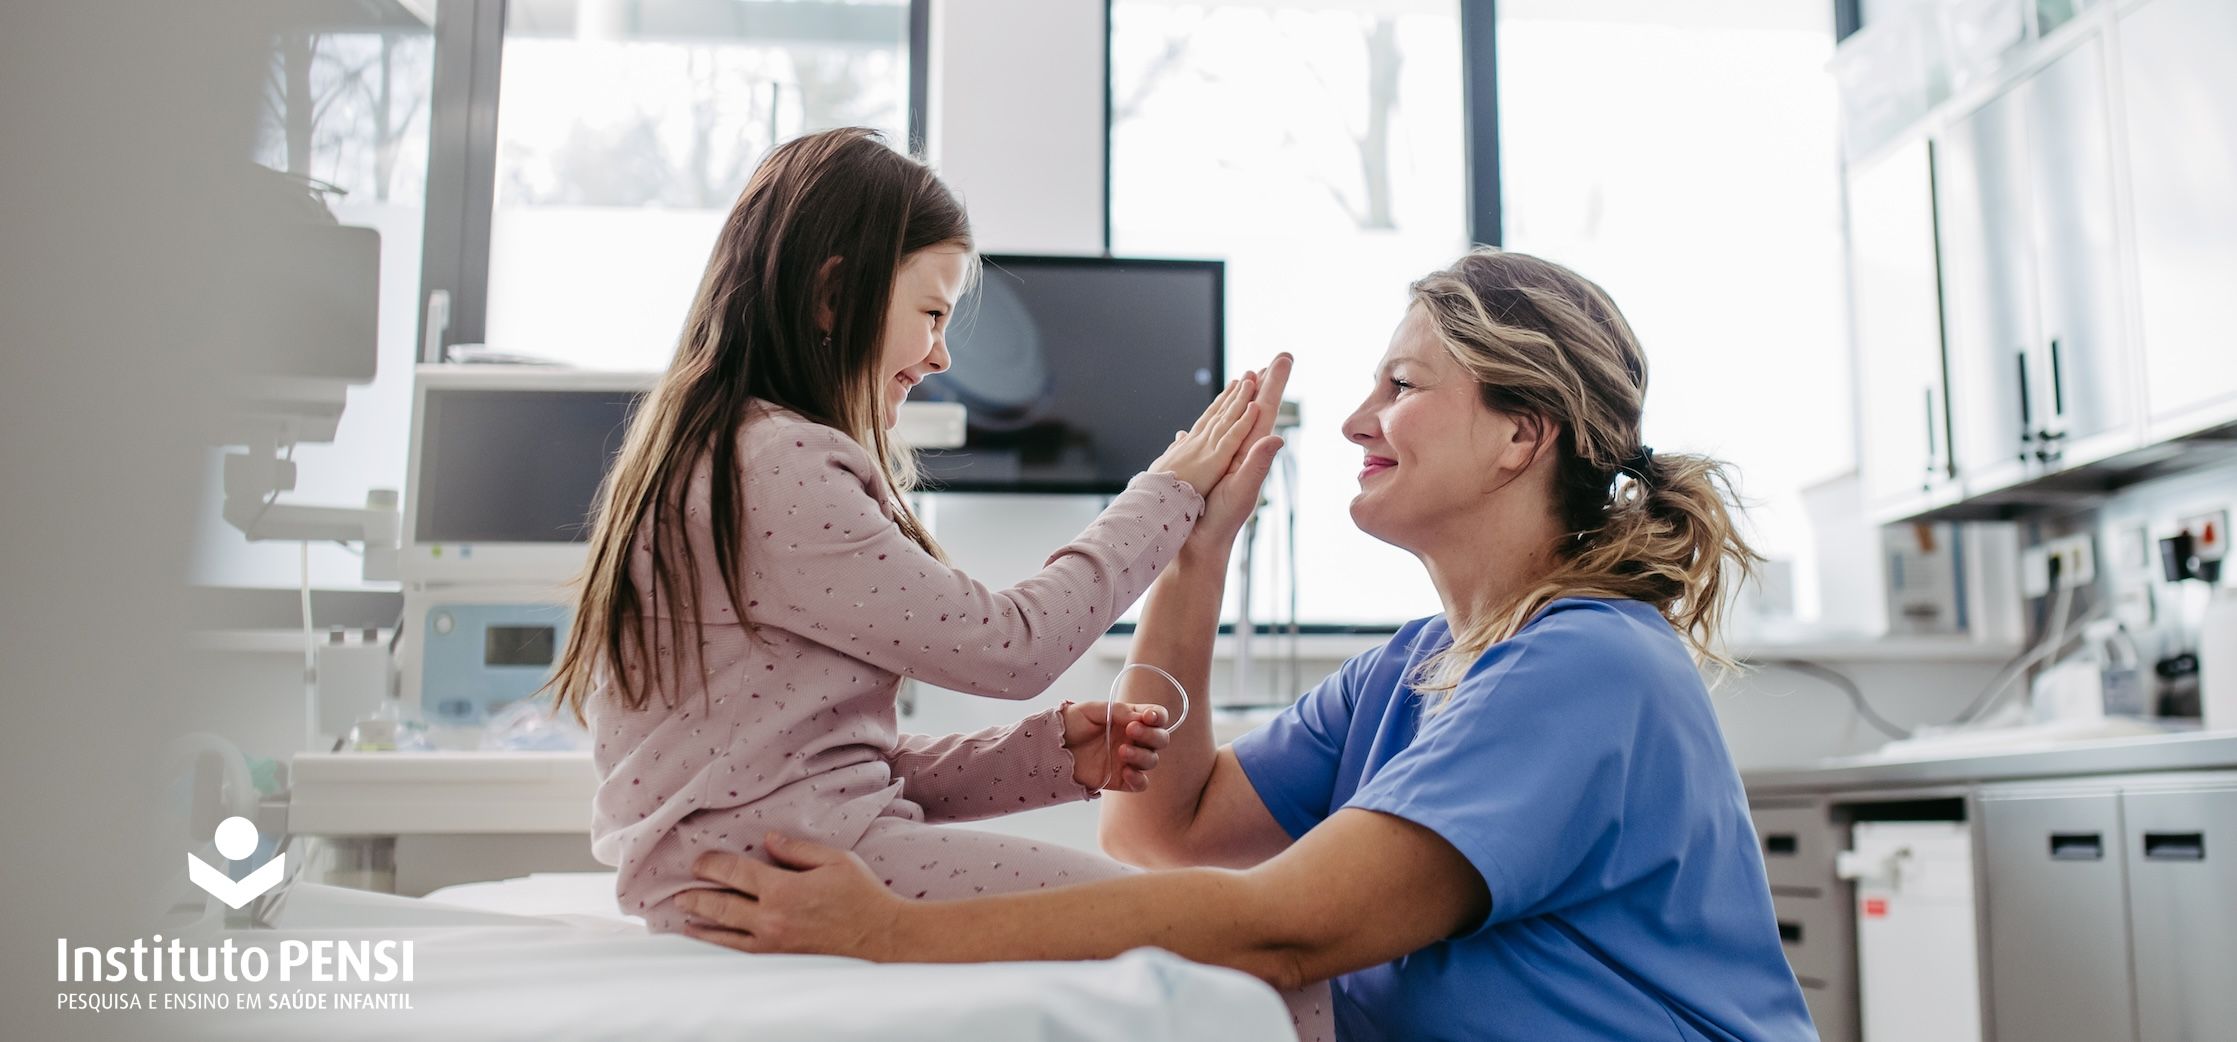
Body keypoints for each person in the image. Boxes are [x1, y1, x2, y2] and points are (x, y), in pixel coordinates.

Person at [679, 248, 1819, 1042]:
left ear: (1523, 434)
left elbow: (1284, 926)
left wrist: (893, 934)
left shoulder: (1588, 666)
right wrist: (1194, 557)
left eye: (1402, 385)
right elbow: (1156, 825)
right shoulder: (1416, 667)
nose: (1356, 419)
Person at [543, 127, 1333, 1038]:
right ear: (834, 295)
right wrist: (1169, 491)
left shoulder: (719, 451)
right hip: (786, 876)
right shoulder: (778, 465)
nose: (941, 357)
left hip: (764, 862)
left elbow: (820, 770)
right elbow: (1013, 648)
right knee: (1258, 971)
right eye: (930, 315)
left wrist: (1042, 758)